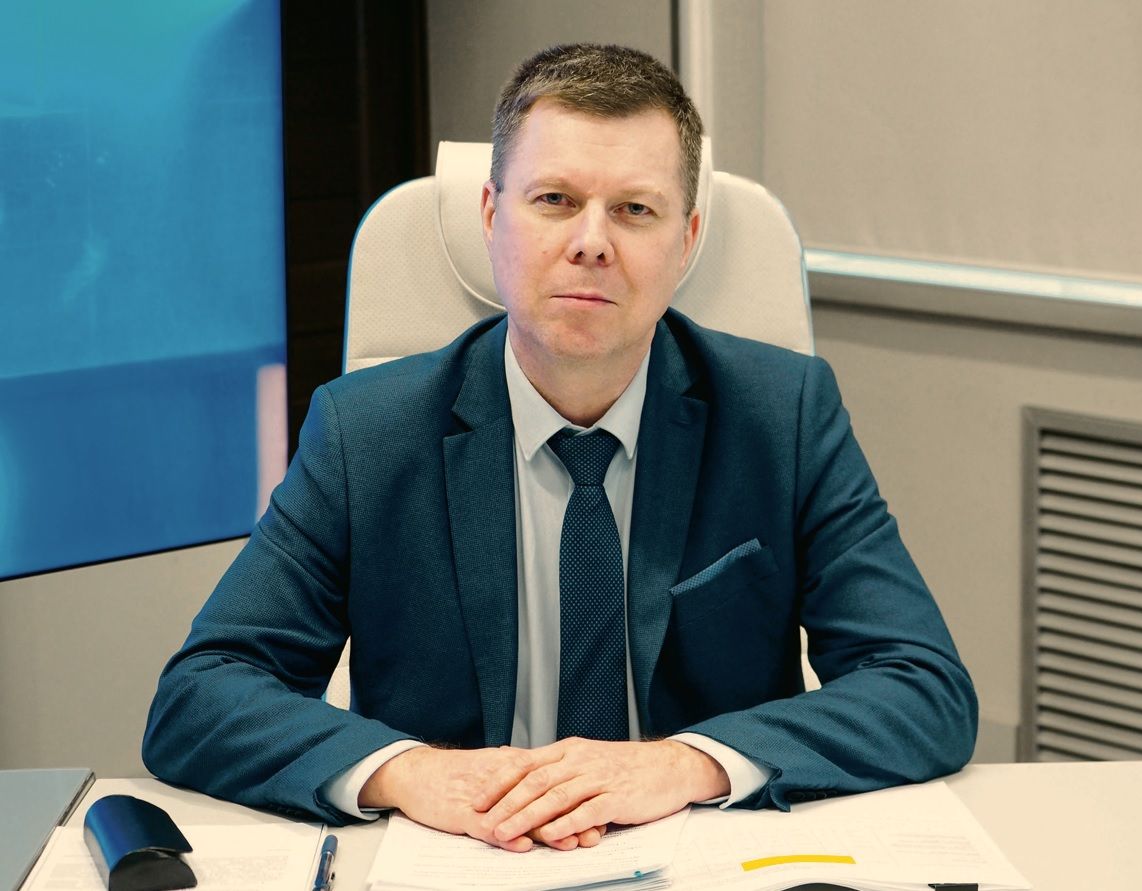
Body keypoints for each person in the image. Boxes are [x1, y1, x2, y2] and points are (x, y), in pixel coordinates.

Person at [143, 43, 976, 853]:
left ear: (686, 241)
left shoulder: (782, 415)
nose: (590, 241)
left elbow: (922, 685)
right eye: (553, 199)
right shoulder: (367, 432)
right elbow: (200, 694)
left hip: (702, 855)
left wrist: (684, 762)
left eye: (634, 209)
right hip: (459, 858)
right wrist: (413, 772)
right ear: (490, 216)